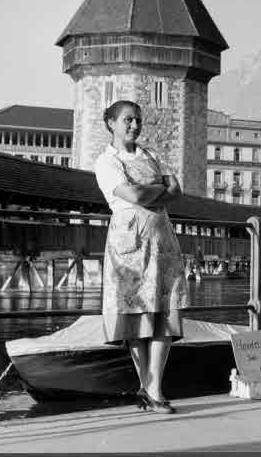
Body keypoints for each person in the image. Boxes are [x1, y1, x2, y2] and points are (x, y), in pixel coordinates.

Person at [94, 100, 187, 414]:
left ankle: (154, 386)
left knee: (165, 312)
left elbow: (177, 192)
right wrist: (159, 189)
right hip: (129, 242)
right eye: (127, 120)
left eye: (137, 120)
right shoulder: (106, 162)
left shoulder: (151, 155)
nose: (134, 125)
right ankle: (146, 386)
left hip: (162, 239)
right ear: (111, 123)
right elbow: (131, 196)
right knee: (136, 316)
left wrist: (147, 190)